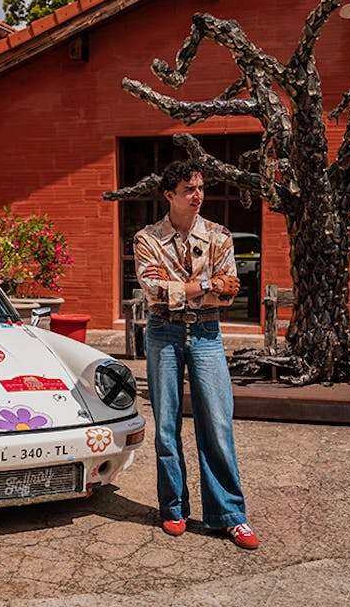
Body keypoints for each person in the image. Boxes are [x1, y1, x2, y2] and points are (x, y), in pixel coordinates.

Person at [133, 158, 259, 550]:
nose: (198, 195)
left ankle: (230, 516)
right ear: (170, 194)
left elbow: (230, 290)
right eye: (190, 189)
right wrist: (205, 282)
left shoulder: (219, 236)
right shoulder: (147, 239)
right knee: (167, 425)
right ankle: (173, 507)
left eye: (201, 187)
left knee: (217, 425)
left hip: (206, 332)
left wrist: (185, 288)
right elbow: (154, 292)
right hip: (163, 333)